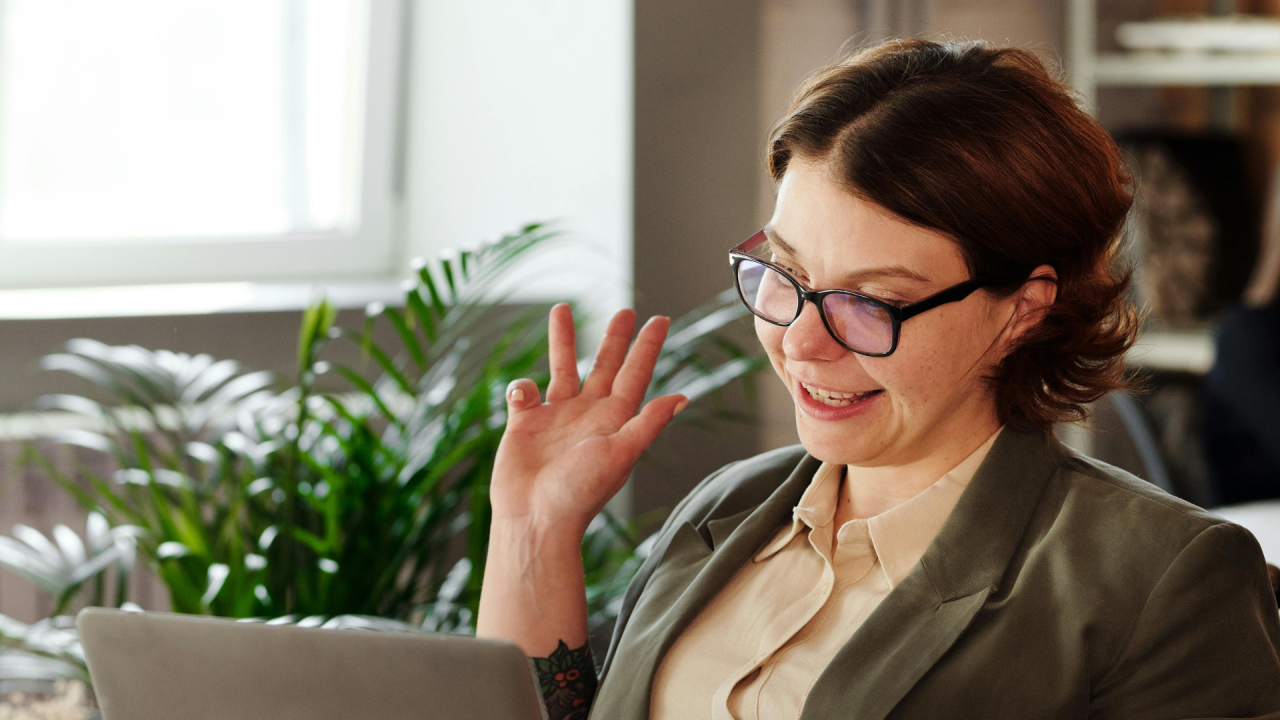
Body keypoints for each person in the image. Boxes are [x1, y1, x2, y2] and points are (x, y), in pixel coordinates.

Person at [477, 38, 1280, 720]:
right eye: (783, 275)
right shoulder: (726, 508)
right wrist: (534, 533)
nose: (802, 342)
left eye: (869, 303)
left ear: (1021, 312)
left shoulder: (1159, 579)